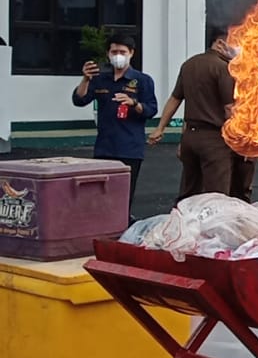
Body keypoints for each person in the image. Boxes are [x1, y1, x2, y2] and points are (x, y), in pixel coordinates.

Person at [149, 27, 246, 203]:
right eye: (235, 42)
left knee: (189, 191)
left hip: (190, 138)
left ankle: (181, 225)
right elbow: (230, 109)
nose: (238, 48)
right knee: (216, 197)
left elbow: (174, 99)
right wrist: (243, 139)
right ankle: (210, 229)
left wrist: (160, 128)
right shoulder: (224, 68)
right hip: (215, 140)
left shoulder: (189, 64)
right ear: (219, 43)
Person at [72, 32, 158, 218]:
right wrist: (85, 79)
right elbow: (79, 100)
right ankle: (103, 227)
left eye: (122, 51)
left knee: (124, 195)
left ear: (131, 53)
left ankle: (121, 226)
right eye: (114, 51)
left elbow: (152, 110)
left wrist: (134, 103)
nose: (118, 55)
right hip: (104, 147)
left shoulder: (142, 80)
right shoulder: (100, 79)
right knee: (101, 194)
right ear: (108, 54)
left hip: (130, 148)